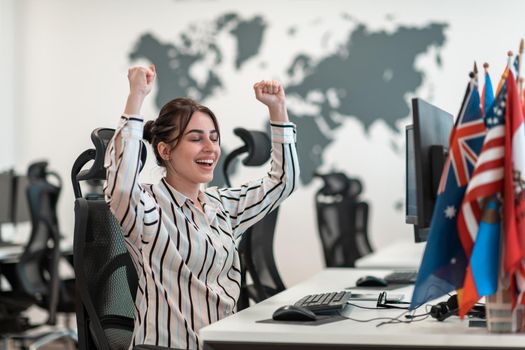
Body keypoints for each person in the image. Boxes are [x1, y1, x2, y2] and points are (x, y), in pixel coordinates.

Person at [104, 65, 300, 349]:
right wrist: (136, 96)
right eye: (196, 139)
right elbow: (120, 185)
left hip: (222, 344)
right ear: (165, 150)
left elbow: (283, 182)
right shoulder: (147, 209)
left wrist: (278, 110)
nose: (210, 147)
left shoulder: (221, 207)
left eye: (214, 138)